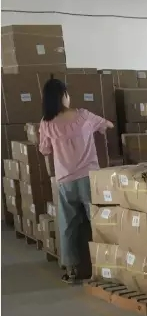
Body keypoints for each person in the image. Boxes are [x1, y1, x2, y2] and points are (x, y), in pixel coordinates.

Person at [38, 78, 114, 284]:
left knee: (68, 226)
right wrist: (99, 129)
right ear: (63, 96)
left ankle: (71, 271)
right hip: (89, 179)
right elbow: (108, 125)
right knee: (97, 222)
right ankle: (106, 265)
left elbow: (45, 150)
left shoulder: (46, 123)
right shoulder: (84, 116)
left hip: (65, 181)